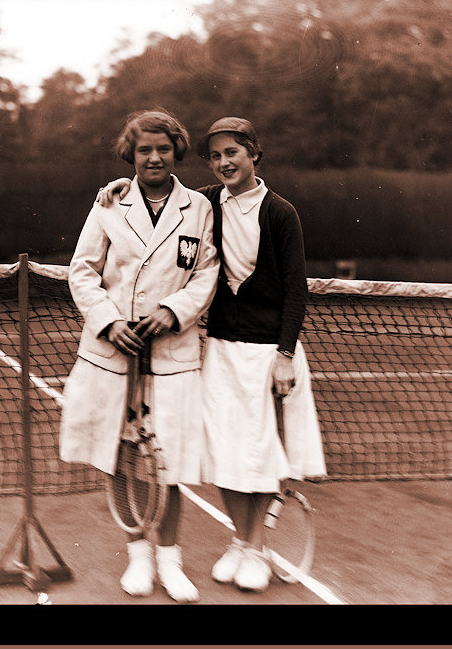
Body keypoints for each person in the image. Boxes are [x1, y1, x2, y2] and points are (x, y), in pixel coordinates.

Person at [97, 116, 327, 593]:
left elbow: (295, 292)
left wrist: (285, 355)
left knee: (261, 452)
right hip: (219, 348)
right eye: (216, 155)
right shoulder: (205, 205)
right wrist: (119, 184)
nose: (224, 162)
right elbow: (158, 190)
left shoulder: (281, 213)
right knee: (226, 452)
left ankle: (253, 547)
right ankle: (239, 545)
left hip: (269, 353)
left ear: (254, 154)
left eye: (233, 153)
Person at [60, 109, 219, 603]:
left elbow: (206, 273)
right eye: (145, 149)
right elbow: (82, 271)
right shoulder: (109, 204)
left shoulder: (199, 208)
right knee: (123, 453)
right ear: (131, 153)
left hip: (172, 356)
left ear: (176, 153)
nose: (154, 157)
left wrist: (173, 313)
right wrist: (110, 322)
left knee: (168, 460)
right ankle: (138, 557)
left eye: (163, 149)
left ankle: (170, 560)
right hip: (113, 355)